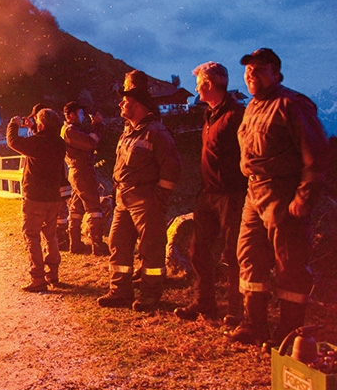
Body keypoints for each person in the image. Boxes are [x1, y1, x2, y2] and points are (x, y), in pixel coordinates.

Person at [225, 48, 328, 346]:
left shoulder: (292, 104)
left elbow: (316, 155)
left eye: (258, 69)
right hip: (253, 193)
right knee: (249, 257)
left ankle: (289, 333)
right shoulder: (252, 107)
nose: (250, 75)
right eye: (247, 70)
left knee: (289, 263)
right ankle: (253, 325)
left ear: (275, 72)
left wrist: (303, 197)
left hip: (283, 194)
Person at [97, 81, 181, 311]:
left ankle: (150, 294)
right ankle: (120, 291)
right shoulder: (128, 131)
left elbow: (172, 167)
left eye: (125, 101)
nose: (120, 103)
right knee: (117, 243)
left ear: (139, 105)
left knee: (150, 247)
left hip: (146, 200)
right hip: (123, 199)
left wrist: (159, 198)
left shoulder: (156, 132)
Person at [174, 62, 247, 325]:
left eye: (198, 83)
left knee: (234, 253)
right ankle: (204, 302)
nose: (195, 88)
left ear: (208, 85)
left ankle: (237, 310)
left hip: (232, 194)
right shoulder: (210, 114)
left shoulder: (236, 114)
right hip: (208, 193)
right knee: (198, 249)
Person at [7, 108, 67, 292]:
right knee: (51, 236)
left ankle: (38, 278)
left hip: (35, 198)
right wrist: (34, 127)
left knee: (32, 236)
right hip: (53, 198)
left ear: (41, 124)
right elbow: (42, 141)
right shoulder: (59, 143)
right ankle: (53, 274)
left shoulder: (37, 143)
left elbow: (13, 142)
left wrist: (14, 124)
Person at [61, 101, 109, 256]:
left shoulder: (69, 130)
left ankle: (75, 245)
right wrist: (97, 125)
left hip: (76, 172)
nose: (82, 116)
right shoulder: (69, 130)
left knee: (76, 208)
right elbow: (90, 143)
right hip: (82, 171)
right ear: (71, 115)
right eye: (80, 113)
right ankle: (98, 245)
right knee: (94, 207)